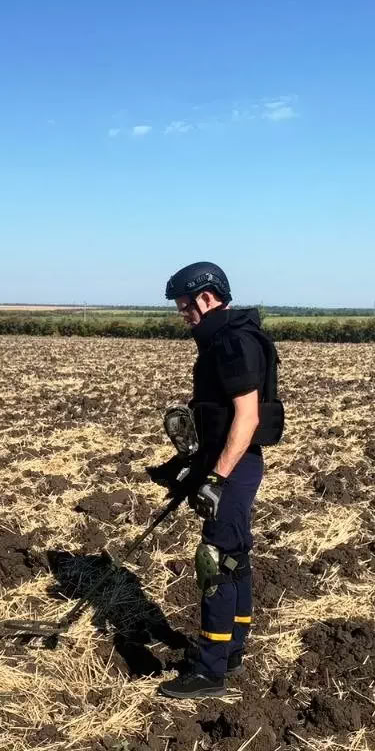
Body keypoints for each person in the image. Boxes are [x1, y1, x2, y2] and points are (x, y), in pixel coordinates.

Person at [148, 262, 274, 699]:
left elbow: (248, 416)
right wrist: (190, 470)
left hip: (234, 467)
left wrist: (216, 479)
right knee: (234, 556)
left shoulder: (234, 343)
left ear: (206, 298)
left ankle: (209, 670)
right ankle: (231, 650)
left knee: (216, 561)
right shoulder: (225, 338)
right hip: (229, 464)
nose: (183, 315)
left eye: (186, 306)